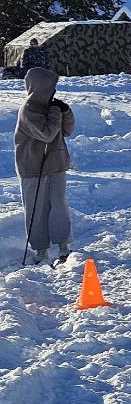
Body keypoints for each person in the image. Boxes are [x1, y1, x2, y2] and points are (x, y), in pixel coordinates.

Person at [15, 66, 74, 263]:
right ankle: (40, 250)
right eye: (51, 88)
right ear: (40, 88)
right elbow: (47, 134)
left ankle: (63, 245)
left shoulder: (51, 108)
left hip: (55, 164)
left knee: (59, 206)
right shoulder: (29, 110)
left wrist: (66, 111)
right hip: (33, 169)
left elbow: (67, 131)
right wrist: (56, 112)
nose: (54, 92)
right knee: (36, 210)